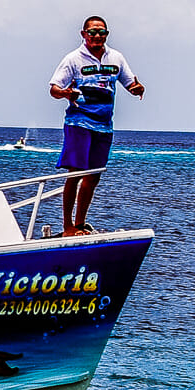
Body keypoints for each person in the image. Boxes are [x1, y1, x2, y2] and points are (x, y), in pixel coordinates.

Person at [48, 16, 144, 237]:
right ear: (84, 34)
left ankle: (80, 223)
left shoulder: (116, 58)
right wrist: (66, 93)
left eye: (102, 33)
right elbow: (54, 88)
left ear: (107, 35)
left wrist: (138, 89)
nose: (97, 37)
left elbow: (131, 84)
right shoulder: (73, 59)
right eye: (92, 33)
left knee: (93, 175)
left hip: (104, 125)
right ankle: (68, 226)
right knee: (75, 173)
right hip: (79, 122)